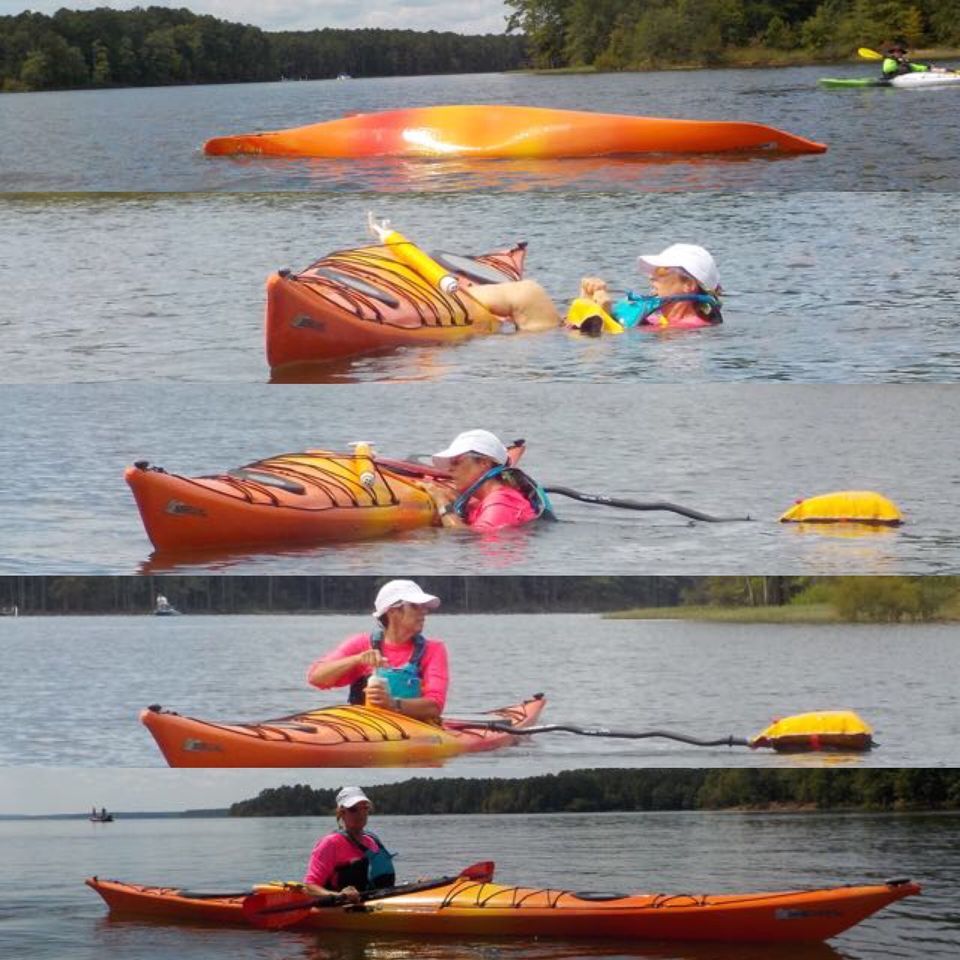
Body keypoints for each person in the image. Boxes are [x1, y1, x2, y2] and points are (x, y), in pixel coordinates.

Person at [306, 579, 448, 723]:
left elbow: (435, 706)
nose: (424, 612)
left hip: (415, 728)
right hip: (366, 726)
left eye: (424, 607)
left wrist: (392, 704)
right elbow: (316, 678)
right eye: (415, 606)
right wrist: (357, 659)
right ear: (392, 611)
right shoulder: (360, 644)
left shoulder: (433, 649)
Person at [421, 429, 553, 532]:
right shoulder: (483, 500)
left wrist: (442, 503)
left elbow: (464, 537)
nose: (450, 469)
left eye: (457, 462)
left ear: (484, 463)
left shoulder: (501, 502)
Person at [578, 243, 723, 331]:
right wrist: (587, 302)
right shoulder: (655, 320)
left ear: (688, 285)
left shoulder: (688, 331)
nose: (651, 277)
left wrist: (602, 315)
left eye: (662, 270)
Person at [302, 786, 395, 902]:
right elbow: (309, 887)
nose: (360, 814)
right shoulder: (331, 843)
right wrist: (339, 895)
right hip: (342, 908)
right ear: (341, 813)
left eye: (365, 808)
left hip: (378, 903)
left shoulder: (372, 841)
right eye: (353, 809)